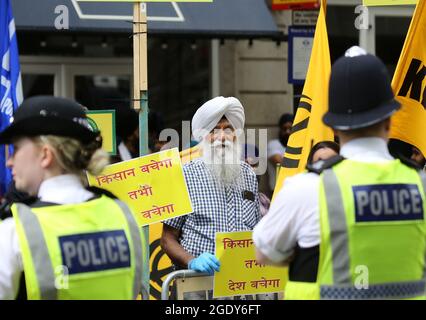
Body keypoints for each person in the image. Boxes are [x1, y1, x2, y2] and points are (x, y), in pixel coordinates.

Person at [253, 52, 426, 300]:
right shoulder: (420, 185)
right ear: (390, 120)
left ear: (333, 128)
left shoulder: (306, 188)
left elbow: (265, 253)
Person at [0, 96, 143, 300]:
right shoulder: (124, 215)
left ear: (45, 155)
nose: (9, 162)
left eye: (16, 149)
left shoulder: (14, 231)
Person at [160, 96, 261, 299]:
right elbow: (167, 239)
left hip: (242, 288)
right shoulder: (185, 175)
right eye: (215, 130)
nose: (222, 137)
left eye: (228, 129)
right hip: (196, 287)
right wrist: (192, 261)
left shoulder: (249, 174)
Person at [267, 113, 294, 193]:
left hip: (294, 190)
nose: (287, 132)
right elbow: (281, 163)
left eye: (290, 128)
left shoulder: (299, 147)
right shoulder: (273, 144)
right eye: (284, 129)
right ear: (280, 130)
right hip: (278, 191)